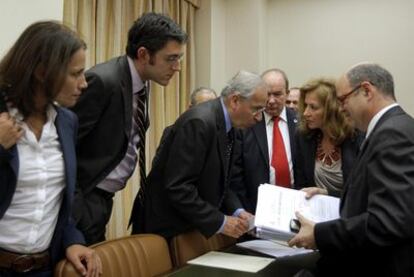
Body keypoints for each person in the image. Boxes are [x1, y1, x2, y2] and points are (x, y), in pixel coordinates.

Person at [71, 12, 188, 245]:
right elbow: (66, 147)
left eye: (179, 59)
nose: (177, 68)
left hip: (103, 198)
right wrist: (78, 209)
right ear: (144, 54)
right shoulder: (104, 81)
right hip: (86, 197)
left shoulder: (142, 82)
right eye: (171, 59)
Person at [289, 63, 414, 277]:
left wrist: (319, 234)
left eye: (342, 99)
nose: (341, 107)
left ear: (366, 91)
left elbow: (387, 221)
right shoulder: (391, 128)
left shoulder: (392, 134)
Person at [0, 21, 101, 277]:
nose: (84, 83)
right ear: (42, 72)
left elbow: (56, 198)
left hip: (42, 269)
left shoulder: (67, 122)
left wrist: (72, 240)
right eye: (75, 73)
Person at [130, 70, 267, 239]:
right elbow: (178, 187)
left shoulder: (234, 127)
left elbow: (224, 181)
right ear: (235, 100)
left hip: (190, 224)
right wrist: (220, 221)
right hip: (165, 226)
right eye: (256, 109)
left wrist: (237, 211)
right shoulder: (199, 122)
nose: (259, 118)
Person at [230, 68, 297, 213]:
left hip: (296, 211)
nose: (271, 100)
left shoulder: (301, 124)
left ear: (287, 93)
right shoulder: (245, 124)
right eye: (268, 94)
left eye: (278, 94)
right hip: (255, 211)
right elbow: (235, 176)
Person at [294, 78, 362, 198]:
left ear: (331, 109)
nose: (305, 113)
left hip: (349, 213)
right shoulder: (304, 137)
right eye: (305, 106)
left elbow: (362, 194)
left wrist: (327, 193)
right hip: (313, 211)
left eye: (313, 107)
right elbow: (301, 185)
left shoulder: (356, 137)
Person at [150, 86, 217, 168]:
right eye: (203, 107)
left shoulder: (223, 134)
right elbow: (158, 166)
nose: (208, 112)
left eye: (212, 108)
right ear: (190, 108)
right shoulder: (172, 131)